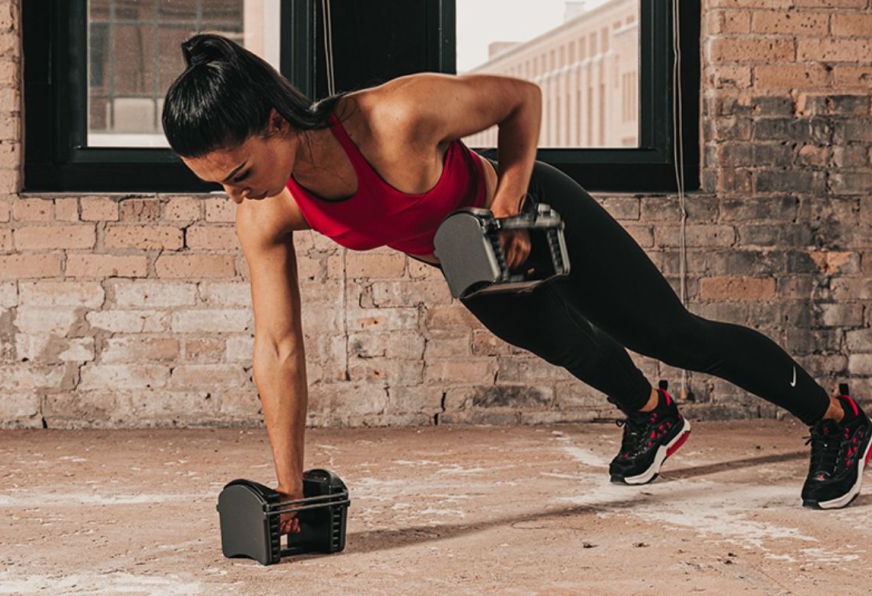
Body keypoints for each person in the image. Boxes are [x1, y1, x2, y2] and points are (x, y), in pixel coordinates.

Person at [162, 34, 872, 531]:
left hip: (531, 213)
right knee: (569, 345)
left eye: (237, 174)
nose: (235, 197)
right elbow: (279, 347)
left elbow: (521, 98)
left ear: (277, 123)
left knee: (667, 333)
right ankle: (652, 414)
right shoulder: (269, 208)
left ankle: (837, 422)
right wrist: (290, 491)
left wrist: (511, 198)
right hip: (472, 261)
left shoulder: (394, 116)